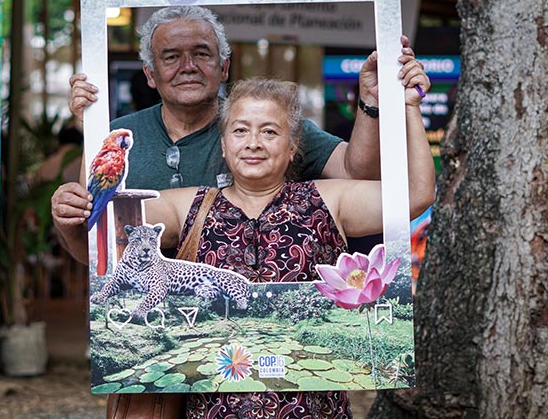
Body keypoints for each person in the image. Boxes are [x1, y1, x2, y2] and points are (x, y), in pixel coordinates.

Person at [59, 77, 435, 418]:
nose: (253, 143)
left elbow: (417, 195)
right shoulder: (188, 205)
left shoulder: (328, 200)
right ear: (224, 145)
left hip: (312, 409)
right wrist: (87, 135)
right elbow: (103, 222)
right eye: (240, 131)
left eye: (269, 132)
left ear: (291, 148)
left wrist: (409, 107)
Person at [52, 5, 425, 256]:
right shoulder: (118, 139)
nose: (188, 66)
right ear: (150, 74)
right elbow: (99, 246)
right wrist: (69, 220)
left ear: (224, 67)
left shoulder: (269, 128)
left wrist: (376, 102)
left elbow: (361, 175)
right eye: (170, 57)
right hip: (154, 332)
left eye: (202, 53)